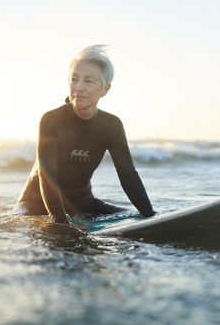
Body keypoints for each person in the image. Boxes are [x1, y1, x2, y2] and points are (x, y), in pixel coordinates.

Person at [14, 45, 156, 225]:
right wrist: (62, 224)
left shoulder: (111, 125)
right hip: (36, 203)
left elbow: (128, 174)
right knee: (12, 223)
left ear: (105, 89)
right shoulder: (51, 121)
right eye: (74, 79)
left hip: (83, 203)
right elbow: (46, 175)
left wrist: (150, 216)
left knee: (129, 215)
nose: (79, 87)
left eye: (88, 81)